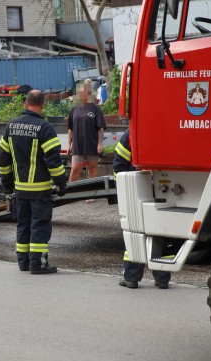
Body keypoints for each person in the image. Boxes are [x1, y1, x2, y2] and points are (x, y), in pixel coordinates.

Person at [0, 90, 68, 274]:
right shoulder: (45, 128)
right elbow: (53, 161)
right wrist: (61, 182)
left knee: (23, 224)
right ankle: (38, 264)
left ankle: (23, 263)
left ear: (25, 103)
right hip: (40, 190)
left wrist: (7, 183)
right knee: (40, 224)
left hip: (20, 190)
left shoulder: (11, 126)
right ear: (43, 104)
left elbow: (3, 158)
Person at [114, 129, 171, 289]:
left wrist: (124, 187)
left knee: (135, 233)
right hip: (164, 188)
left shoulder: (132, 133)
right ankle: (162, 278)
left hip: (137, 190)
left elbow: (119, 163)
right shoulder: (167, 131)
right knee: (161, 232)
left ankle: (131, 277)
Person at [67, 79, 107, 183]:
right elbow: (70, 129)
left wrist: (100, 144)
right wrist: (68, 145)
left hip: (92, 144)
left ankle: (91, 194)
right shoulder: (74, 109)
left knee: (92, 168)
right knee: (75, 169)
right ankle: (72, 192)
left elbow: (101, 128)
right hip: (77, 145)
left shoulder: (95, 109)